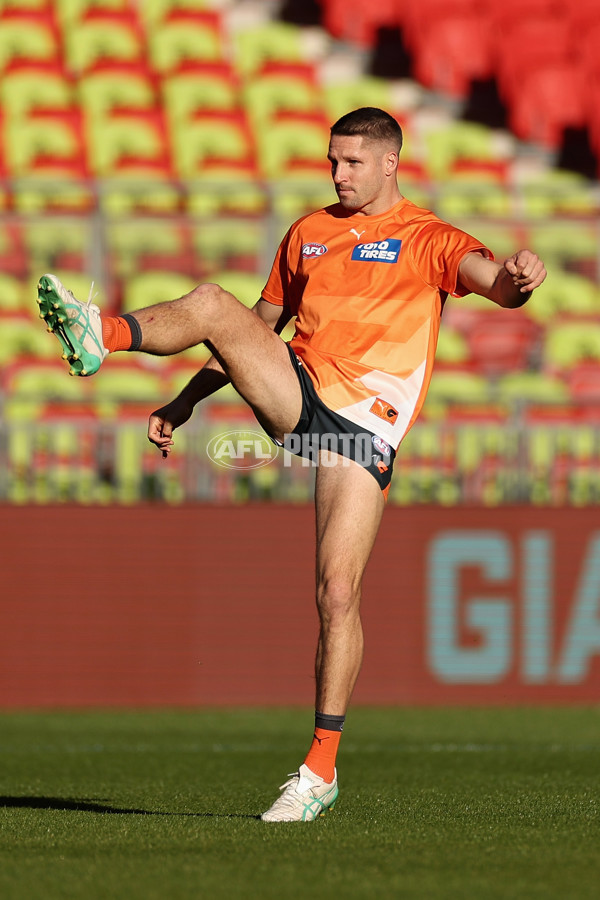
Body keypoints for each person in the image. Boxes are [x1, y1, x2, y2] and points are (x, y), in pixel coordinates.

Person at [36, 107, 546, 822]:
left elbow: (496, 285)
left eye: (352, 163)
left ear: (390, 164)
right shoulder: (308, 234)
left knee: (338, 593)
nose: (337, 174)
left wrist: (521, 278)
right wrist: (185, 402)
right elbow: (252, 329)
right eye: (332, 161)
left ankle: (319, 772)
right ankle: (105, 332)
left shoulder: (431, 238)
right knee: (214, 301)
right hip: (300, 393)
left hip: (362, 433)